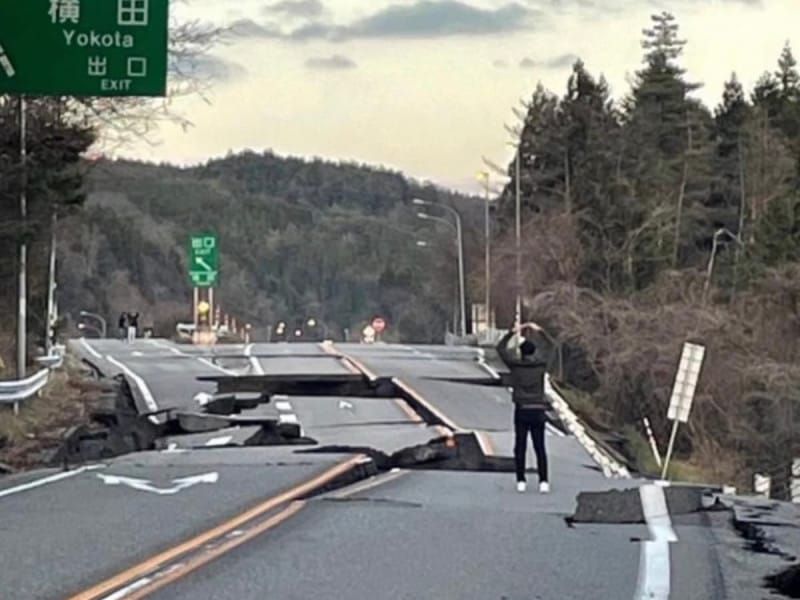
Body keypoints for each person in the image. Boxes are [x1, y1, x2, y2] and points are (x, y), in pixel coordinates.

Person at [497, 321, 556, 494]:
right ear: (534, 352)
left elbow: (500, 349)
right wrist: (541, 331)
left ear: (521, 353)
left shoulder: (515, 366)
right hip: (538, 410)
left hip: (521, 410)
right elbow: (552, 347)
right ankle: (543, 481)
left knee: (520, 446)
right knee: (540, 447)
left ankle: (521, 480)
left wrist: (513, 332)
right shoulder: (541, 366)